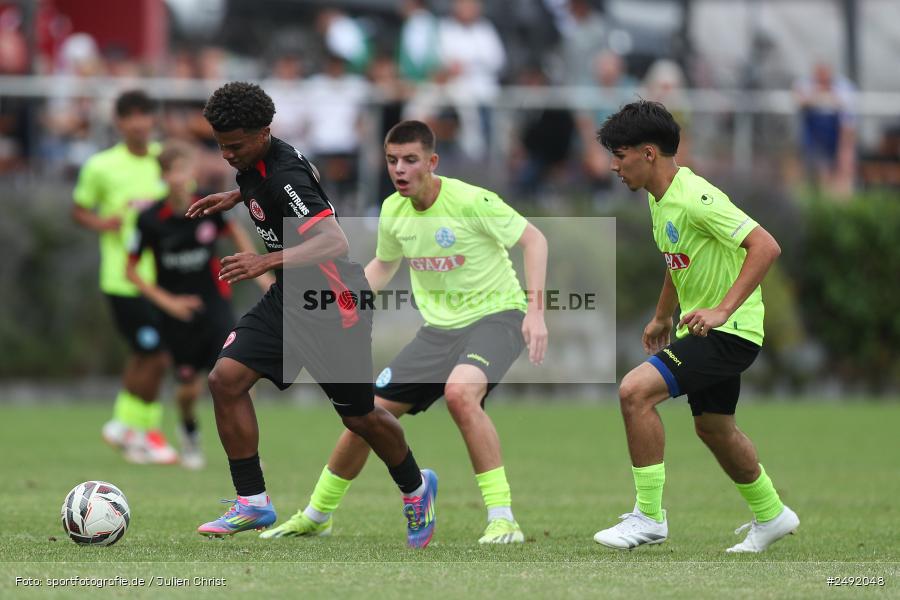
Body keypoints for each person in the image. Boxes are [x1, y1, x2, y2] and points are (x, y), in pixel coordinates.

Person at [261, 120, 548, 544]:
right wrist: (341, 301)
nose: (400, 169)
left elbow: (535, 239)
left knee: (460, 394)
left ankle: (503, 518)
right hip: (439, 332)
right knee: (366, 414)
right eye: (392, 160)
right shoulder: (394, 211)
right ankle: (317, 514)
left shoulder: (471, 201)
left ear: (431, 162)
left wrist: (536, 312)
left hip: (497, 317)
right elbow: (383, 266)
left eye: (410, 160)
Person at [185, 83, 437, 548]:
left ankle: (416, 488)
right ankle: (253, 502)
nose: (226, 154)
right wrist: (237, 197)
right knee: (225, 380)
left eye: (235, 145)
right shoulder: (258, 161)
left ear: (264, 133)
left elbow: (333, 242)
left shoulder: (284, 175)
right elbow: (301, 175)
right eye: (220, 144)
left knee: (361, 418)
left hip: (332, 305)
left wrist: (263, 261)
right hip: (289, 299)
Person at [591, 100, 799, 553]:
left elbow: (765, 246)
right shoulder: (658, 199)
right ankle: (772, 514)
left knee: (634, 391)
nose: (613, 166)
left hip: (729, 331)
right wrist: (663, 314)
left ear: (649, 154)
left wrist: (723, 310)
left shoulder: (696, 197)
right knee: (715, 429)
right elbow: (676, 258)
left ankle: (649, 517)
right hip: (703, 332)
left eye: (620, 154)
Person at [126, 140, 274, 470]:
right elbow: (131, 272)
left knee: (238, 378)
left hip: (215, 306)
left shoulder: (207, 206)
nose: (182, 177)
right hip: (178, 317)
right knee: (188, 392)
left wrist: (262, 273)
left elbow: (235, 231)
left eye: (186, 170)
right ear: (164, 176)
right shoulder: (149, 219)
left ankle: (250, 454)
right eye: (174, 171)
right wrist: (171, 303)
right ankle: (189, 432)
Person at [71, 89, 177, 465]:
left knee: (145, 354)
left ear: (153, 119)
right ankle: (144, 433)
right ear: (119, 122)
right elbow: (79, 210)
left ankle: (122, 426)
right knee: (158, 355)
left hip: (163, 277)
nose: (138, 123)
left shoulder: (163, 161)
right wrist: (104, 222)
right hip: (123, 279)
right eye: (130, 116)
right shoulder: (101, 166)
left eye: (144, 114)